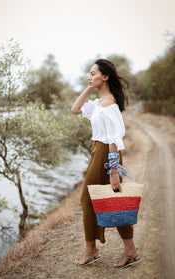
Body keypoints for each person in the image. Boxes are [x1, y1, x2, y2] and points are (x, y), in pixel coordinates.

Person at [71, 59, 140, 267]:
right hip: (96, 151)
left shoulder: (109, 105)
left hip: (105, 153)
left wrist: (113, 171)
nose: (89, 76)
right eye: (89, 74)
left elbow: (114, 139)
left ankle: (91, 250)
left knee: (89, 199)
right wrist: (89, 87)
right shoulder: (99, 104)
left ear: (106, 76)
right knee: (113, 200)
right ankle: (130, 251)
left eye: (93, 73)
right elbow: (75, 109)